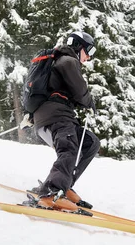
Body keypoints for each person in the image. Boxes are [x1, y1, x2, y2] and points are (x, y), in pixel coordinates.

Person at [24, 31, 100, 212]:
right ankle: (50, 194)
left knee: (89, 144)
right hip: (56, 117)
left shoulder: (59, 61)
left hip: (54, 117)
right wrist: (89, 101)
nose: (89, 57)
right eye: (89, 51)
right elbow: (80, 89)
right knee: (69, 149)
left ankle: (63, 186)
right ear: (79, 47)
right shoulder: (68, 60)